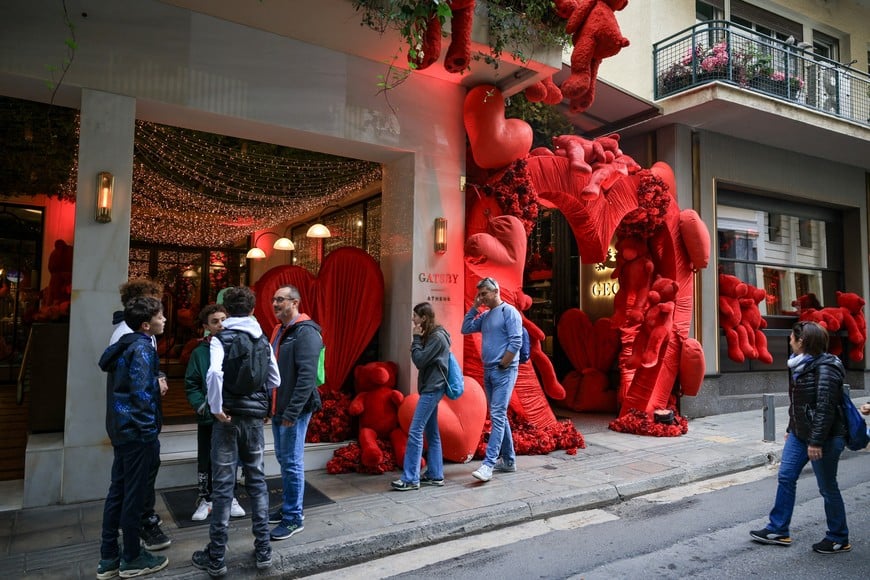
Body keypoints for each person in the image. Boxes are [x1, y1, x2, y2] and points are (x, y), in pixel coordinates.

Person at [191, 286, 280, 576]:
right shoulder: (262, 338)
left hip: (226, 419)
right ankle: (264, 548)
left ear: (227, 311)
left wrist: (216, 407)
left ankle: (216, 556)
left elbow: (214, 373)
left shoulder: (221, 338)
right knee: (256, 481)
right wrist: (261, 402)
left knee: (224, 486)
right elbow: (274, 378)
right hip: (253, 419)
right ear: (253, 310)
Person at [750, 321, 851, 554]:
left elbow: (825, 408)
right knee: (786, 477)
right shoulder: (801, 365)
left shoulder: (826, 368)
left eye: (791, 338)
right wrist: (790, 427)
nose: (789, 341)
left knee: (827, 487)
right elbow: (801, 403)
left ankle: (838, 537)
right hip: (799, 434)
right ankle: (778, 529)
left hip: (824, 438)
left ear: (802, 341)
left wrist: (815, 441)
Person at [96, 297, 169, 579]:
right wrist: (148, 431)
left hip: (120, 429)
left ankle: (108, 557)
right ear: (146, 324)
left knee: (118, 491)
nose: (164, 320)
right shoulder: (141, 348)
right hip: (137, 433)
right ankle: (132, 557)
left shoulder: (124, 344)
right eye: (160, 316)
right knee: (134, 496)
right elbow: (139, 394)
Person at [268, 284, 323, 540]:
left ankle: (293, 517)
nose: (276, 304)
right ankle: (289, 507)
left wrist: (291, 412)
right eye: (274, 300)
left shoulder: (306, 332)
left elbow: (306, 378)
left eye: (281, 300)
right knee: (284, 459)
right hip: (280, 407)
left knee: (291, 462)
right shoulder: (279, 329)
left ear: (295, 303)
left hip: (294, 410)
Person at [184, 304, 247, 521]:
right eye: (214, 321)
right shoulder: (200, 353)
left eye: (223, 319)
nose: (220, 324)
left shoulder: (238, 347)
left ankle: (231, 496)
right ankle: (207, 498)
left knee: (231, 457)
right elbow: (191, 384)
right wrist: (203, 406)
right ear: (206, 326)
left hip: (231, 415)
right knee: (208, 458)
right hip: (209, 416)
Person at [461, 277, 523, 483]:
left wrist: (504, 364)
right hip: (488, 370)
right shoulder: (486, 315)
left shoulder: (509, 312)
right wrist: (474, 307)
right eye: (479, 294)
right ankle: (509, 461)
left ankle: (489, 464)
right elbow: (465, 328)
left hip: (503, 371)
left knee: (497, 414)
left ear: (495, 291)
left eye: (484, 294)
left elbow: (516, 341)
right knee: (500, 415)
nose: (481, 297)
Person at [391, 302, 449, 491]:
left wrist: (416, 340)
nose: (413, 320)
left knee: (415, 430)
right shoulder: (433, 336)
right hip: (431, 387)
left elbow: (420, 360)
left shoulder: (437, 337)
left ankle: (410, 478)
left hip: (433, 388)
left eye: (415, 316)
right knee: (431, 432)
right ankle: (435, 474)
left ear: (424, 318)